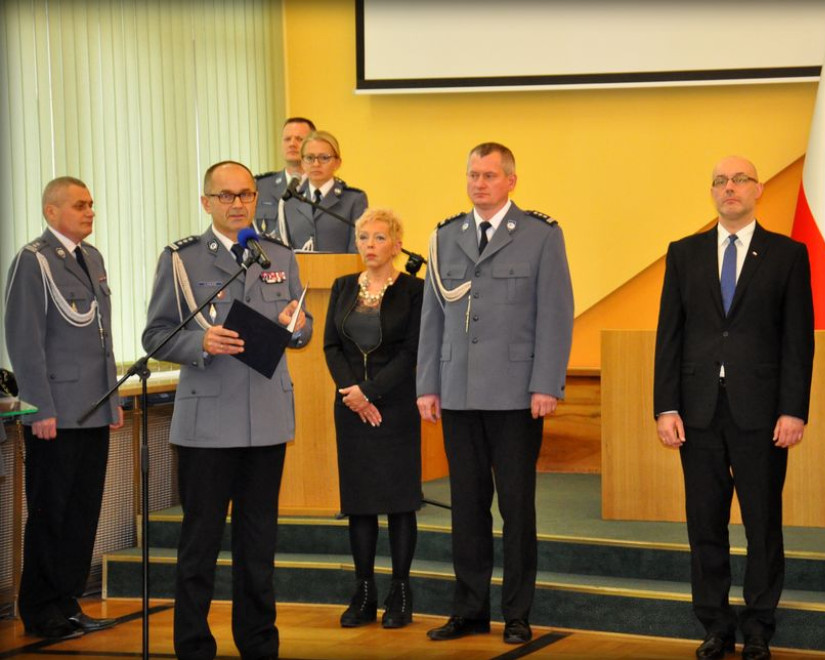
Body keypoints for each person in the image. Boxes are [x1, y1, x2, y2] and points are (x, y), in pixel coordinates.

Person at [142, 161, 311, 660]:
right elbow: (155, 336)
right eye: (226, 196)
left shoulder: (278, 253)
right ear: (206, 202)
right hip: (208, 423)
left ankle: (259, 642)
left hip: (266, 417)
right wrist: (202, 340)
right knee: (200, 543)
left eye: (245, 195)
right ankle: (193, 645)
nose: (238, 204)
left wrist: (296, 325)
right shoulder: (182, 258)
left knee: (258, 545)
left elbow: (300, 326)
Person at [653, 156, 814, 660]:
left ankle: (760, 625)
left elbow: (798, 340)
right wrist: (665, 407)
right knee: (704, 523)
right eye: (720, 181)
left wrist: (794, 410)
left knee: (763, 523)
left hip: (762, 414)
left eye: (739, 180)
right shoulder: (684, 253)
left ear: (759, 189)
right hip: (697, 411)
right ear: (713, 192)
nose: (729, 189)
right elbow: (669, 338)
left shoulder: (787, 254)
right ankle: (716, 625)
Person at [416, 142, 574, 645]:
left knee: (517, 508)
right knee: (466, 506)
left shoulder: (540, 235)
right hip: (458, 393)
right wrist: (427, 384)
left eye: (489, 175)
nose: (479, 183)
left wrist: (546, 383)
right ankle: (469, 609)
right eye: (472, 174)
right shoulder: (445, 236)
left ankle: (517, 612)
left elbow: (554, 314)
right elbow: (433, 318)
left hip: (515, 396)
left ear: (511, 180)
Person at [4, 177, 124, 640]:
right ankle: (40, 608)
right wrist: (39, 409)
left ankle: (68, 601)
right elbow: (25, 341)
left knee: (82, 511)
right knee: (51, 511)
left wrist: (112, 400)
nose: (89, 212)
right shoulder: (33, 261)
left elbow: (103, 340)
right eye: (79, 205)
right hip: (55, 411)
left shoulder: (90, 258)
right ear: (51, 212)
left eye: (91, 204)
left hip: (92, 407)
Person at [323, 208, 423, 630]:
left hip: (395, 407)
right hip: (351, 408)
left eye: (379, 238)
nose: (369, 245)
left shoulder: (414, 291)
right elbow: (331, 346)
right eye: (363, 237)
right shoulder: (343, 287)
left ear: (397, 245)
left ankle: (399, 592)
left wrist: (372, 392)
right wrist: (354, 394)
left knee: (400, 504)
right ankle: (363, 592)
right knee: (360, 504)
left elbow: (413, 351)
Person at [280, 130, 367, 252]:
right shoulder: (291, 201)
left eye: (324, 158)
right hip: (301, 271)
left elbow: (357, 250)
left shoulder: (354, 200)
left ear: (337, 163)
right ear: (303, 163)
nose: (316, 164)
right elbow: (285, 251)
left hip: (343, 270)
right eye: (309, 158)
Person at [255, 117, 316, 238]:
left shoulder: (320, 189)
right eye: (287, 139)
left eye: (299, 139)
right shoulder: (261, 186)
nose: (292, 144)